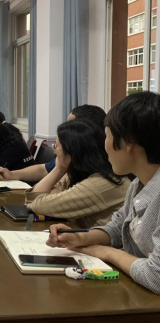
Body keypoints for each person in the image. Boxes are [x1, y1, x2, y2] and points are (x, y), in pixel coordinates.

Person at [46, 92, 160, 299]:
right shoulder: (138, 184)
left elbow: (156, 276)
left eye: (107, 135)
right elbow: (117, 227)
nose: (104, 145)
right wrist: (80, 238)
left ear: (129, 142)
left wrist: (107, 252)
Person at [26, 120, 130, 228]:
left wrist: (59, 168)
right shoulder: (79, 174)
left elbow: (34, 203)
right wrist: (59, 169)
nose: (55, 152)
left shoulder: (99, 184)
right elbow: (34, 198)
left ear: (72, 152)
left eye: (56, 146)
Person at [0, 104, 107, 183]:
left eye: (71, 125)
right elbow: (43, 169)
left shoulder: (98, 165)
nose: (67, 129)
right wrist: (11, 174)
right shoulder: (69, 153)